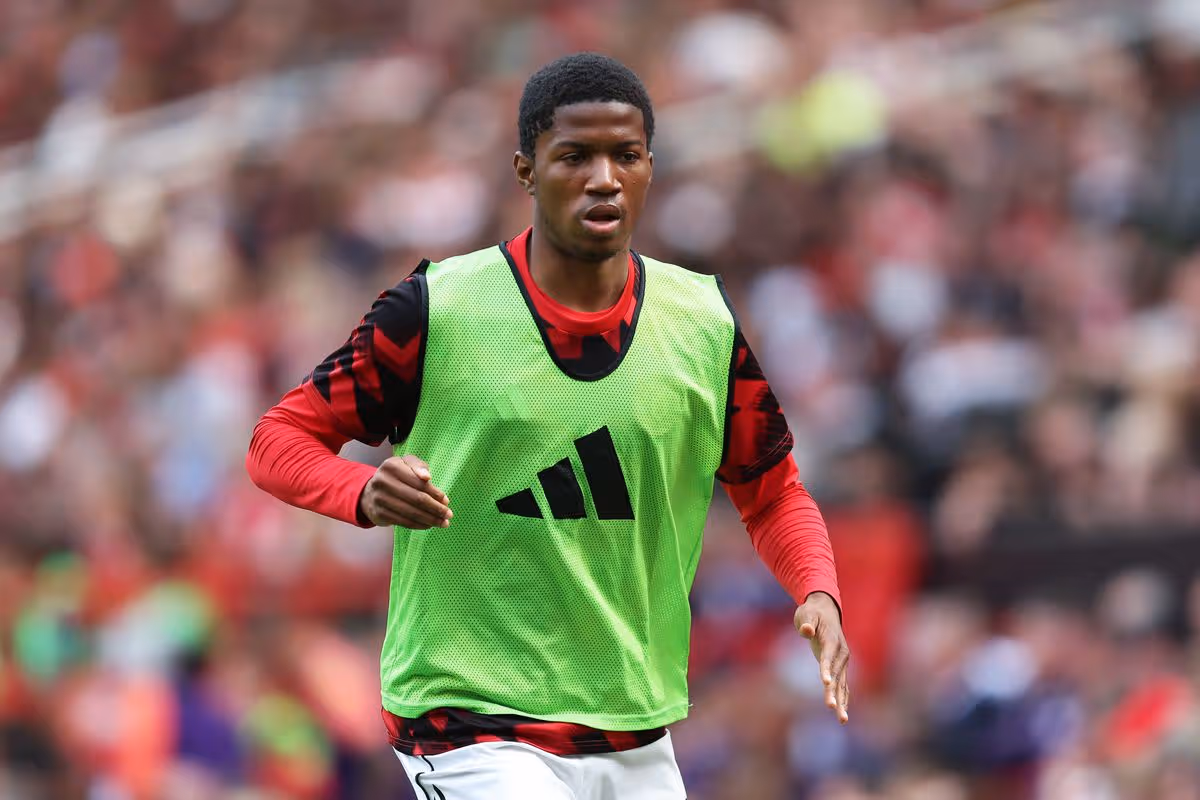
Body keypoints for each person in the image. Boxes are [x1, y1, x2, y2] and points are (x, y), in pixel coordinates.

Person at [247, 52, 848, 799]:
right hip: (468, 721)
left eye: (625, 156)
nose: (604, 178)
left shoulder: (702, 322)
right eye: (575, 157)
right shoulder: (437, 309)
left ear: (650, 168)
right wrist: (361, 491)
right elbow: (276, 440)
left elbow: (773, 491)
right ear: (526, 172)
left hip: (633, 726)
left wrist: (816, 589)